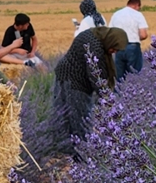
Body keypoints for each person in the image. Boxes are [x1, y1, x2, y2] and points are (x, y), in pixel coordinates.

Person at [53, 27, 128, 156]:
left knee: (70, 115)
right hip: (73, 80)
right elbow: (96, 76)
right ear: (110, 40)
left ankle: (69, 149)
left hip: (69, 76)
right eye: (114, 48)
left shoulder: (97, 36)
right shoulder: (94, 46)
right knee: (79, 117)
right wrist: (107, 100)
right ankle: (80, 153)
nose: (114, 52)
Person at [109, 0, 151, 81]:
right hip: (132, 47)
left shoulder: (116, 14)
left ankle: (119, 93)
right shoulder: (138, 15)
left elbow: (110, 33)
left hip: (118, 48)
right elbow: (143, 35)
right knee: (134, 75)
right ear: (137, 5)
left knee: (119, 77)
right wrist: (134, 36)